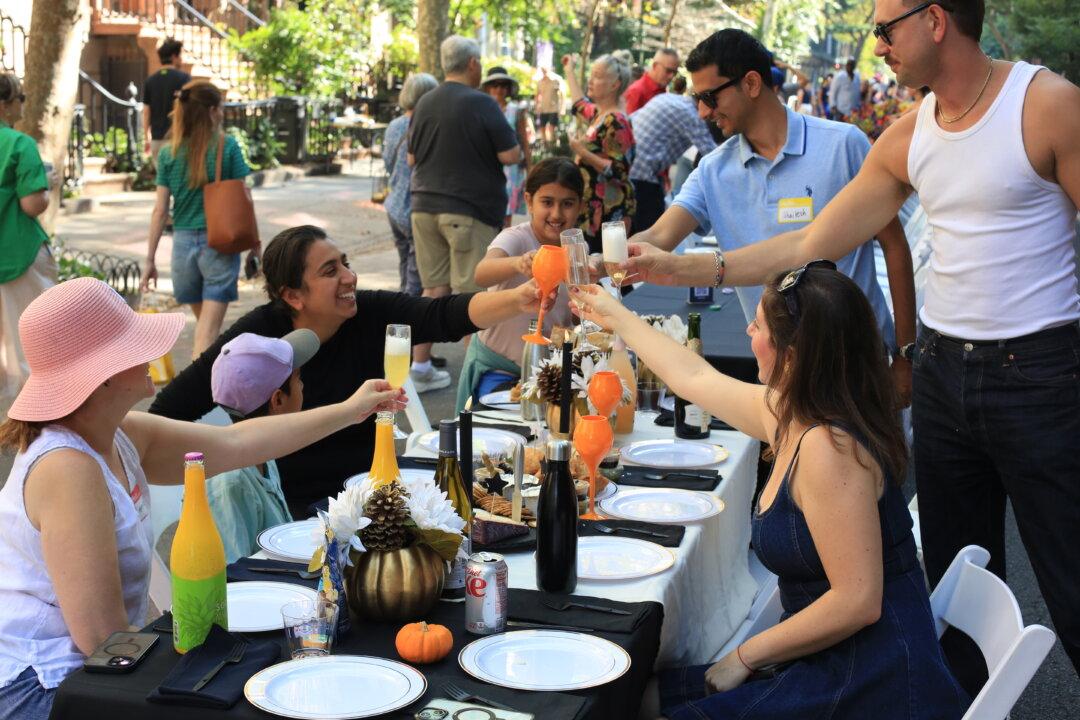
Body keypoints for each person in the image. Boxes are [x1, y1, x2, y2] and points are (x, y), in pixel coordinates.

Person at [623, 0, 1080, 682]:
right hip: (941, 375)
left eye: (885, 28)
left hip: (1042, 373)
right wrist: (676, 264)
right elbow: (809, 243)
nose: (877, 45)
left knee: (1070, 579)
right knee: (952, 584)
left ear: (935, 19)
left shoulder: (1046, 105)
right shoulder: (905, 136)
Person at [571, 265, 968, 719]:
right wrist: (616, 315)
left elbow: (858, 601)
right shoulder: (799, 409)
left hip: (872, 681)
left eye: (758, 325)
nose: (747, 331)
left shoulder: (829, 448)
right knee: (628, 698)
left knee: (632, 704)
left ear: (793, 356)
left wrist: (744, 656)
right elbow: (695, 379)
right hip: (824, 656)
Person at [0, 278, 404, 720]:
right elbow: (102, 636)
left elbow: (235, 444)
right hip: (50, 688)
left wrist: (352, 410)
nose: (153, 355)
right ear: (103, 375)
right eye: (133, 345)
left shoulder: (117, 432)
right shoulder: (67, 468)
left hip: (105, 666)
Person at [150, 224, 550, 516]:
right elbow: (169, 410)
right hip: (292, 513)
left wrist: (518, 298)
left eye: (345, 263)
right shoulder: (259, 340)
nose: (349, 277)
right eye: (330, 271)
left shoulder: (366, 312)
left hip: (370, 493)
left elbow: (444, 315)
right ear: (292, 295)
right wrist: (215, 466)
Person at [627, 29, 915, 403]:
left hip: (857, 364)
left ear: (750, 83)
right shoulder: (713, 170)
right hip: (780, 372)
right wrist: (604, 257)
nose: (703, 111)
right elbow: (660, 235)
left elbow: (894, 246)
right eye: (697, 99)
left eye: (709, 97)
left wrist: (907, 355)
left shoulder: (843, 145)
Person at [408, 35, 522, 386]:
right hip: (468, 208)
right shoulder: (482, 103)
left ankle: (421, 367)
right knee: (474, 297)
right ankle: (476, 379)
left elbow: (411, 157)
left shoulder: (425, 101)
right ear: (473, 64)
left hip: (423, 206)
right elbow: (512, 155)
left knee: (433, 289)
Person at [140, 80, 255, 359]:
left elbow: (160, 210)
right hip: (219, 244)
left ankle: (219, 372)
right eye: (222, 109)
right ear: (213, 110)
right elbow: (244, 198)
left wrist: (150, 259)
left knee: (207, 330)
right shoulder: (227, 147)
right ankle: (197, 395)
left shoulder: (168, 152)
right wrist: (256, 243)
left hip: (181, 247)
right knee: (206, 337)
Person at [457, 158, 583, 411]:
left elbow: (576, 312)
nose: (557, 214)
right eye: (547, 202)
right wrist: (517, 264)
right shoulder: (515, 238)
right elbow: (481, 273)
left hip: (551, 374)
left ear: (580, 206)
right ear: (528, 201)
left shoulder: (577, 247)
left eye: (567, 204)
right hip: (500, 371)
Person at [206, 329, 320, 562]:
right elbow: (232, 576)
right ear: (278, 399)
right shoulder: (230, 482)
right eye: (298, 378)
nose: (302, 385)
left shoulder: (262, 448)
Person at [382, 73, 446, 382]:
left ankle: (416, 350)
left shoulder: (395, 125)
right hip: (415, 210)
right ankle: (408, 356)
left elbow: (387, 162)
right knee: (417, 285)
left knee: (407, 274)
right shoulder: (424, 125)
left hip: (394, 206)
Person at [0, 73, 56, 399]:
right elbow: (33, 204)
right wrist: (50, 187)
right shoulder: (20, 144)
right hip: (18, 253)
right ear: (6, 105)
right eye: (20, 98)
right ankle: (34, 426)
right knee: (33, 344)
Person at [561, 52, 636, 252]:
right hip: (592, 207)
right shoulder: (599, 114)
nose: (591, 80)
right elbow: (579, 105)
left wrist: (583, 153)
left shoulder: (617, 121)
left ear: (614, 84)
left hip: (607, 212)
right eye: (591, 75)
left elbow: (620, 171)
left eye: (598, 76)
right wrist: (569, 70)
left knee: (608, 270)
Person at [627, 87, 717, 235]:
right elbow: (712, 154)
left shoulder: (666, 98)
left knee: (638, 231)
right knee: (654, 233)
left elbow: (631, 119)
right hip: (642, 176)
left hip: (629, 168)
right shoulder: (690, 114)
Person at [481, 66, 533, 227]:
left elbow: (524, 140)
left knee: (507, 212)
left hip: (512, 168)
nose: (499, 89)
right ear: (488, 88)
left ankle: (504, 247)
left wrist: (530, 169)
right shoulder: (481, 109)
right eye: (495, 85)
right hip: (487, 165)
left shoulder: (516, 111)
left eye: (503, 85)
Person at [141, 38, 190, 165]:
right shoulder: (184, 79)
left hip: (156, 140)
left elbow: (146, 112)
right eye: (181, 55)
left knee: (162, 181)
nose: (182, 59)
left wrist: (147, 138)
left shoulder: (150, 81)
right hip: (178, 139)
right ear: (174, 56)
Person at [624, 48, 680, 114]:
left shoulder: (662, 89)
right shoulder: (636, 91)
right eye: (668, 71)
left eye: (675, 72)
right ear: (655, 66)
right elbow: (629, 122)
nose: (671, 76)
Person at [534, 66, 563, 147]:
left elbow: (561, 95)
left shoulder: (555, 81)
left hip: (553, 108)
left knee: (551, 128)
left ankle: (552, 144)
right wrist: (537, 105)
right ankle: (545, 145)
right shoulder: (540, 82)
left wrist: (561, 108)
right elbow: (537, 95)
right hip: (543, 108)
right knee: (542, 127)